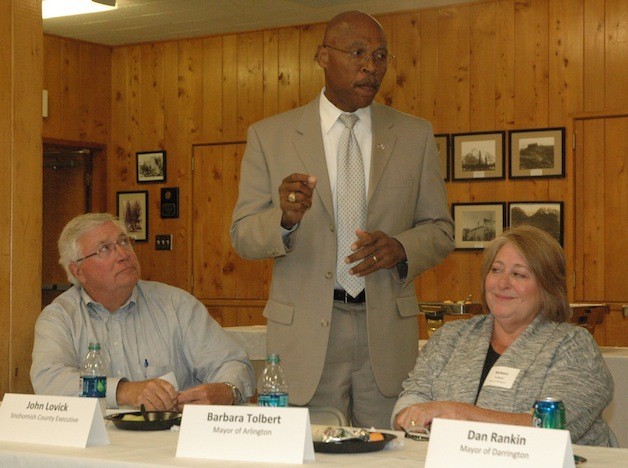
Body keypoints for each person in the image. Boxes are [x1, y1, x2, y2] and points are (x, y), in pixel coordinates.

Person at [230, 10, 454, 428]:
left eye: (381, 56)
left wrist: (403, 247)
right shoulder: (270, 136)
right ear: (323, 57)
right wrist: (284, 220)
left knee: (393, 454)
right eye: (357, 52)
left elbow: (440, 230)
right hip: (307, 339)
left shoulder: (414, 135)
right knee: (305, 454)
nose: (371, 66)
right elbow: (243, 235)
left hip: (385, 332)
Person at [392, 225, 614, 446]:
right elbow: (412, 399)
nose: (502, 283)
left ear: (548, 287)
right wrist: (412, 417)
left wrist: (462, 415)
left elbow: (553, 427)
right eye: (496, 270)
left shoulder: (573, 346)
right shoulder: (450, 338)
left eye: (518, 274)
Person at [31, 213, 255, 411]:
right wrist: (123, 391)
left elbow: (232, 363)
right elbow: (49, 380)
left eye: (124, 242)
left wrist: (227, 391)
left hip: (171, 442)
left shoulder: (176, 305)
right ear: (78, 271)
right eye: (105, 249)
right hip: (94, 445)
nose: (123, 254)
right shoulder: (60, 318)